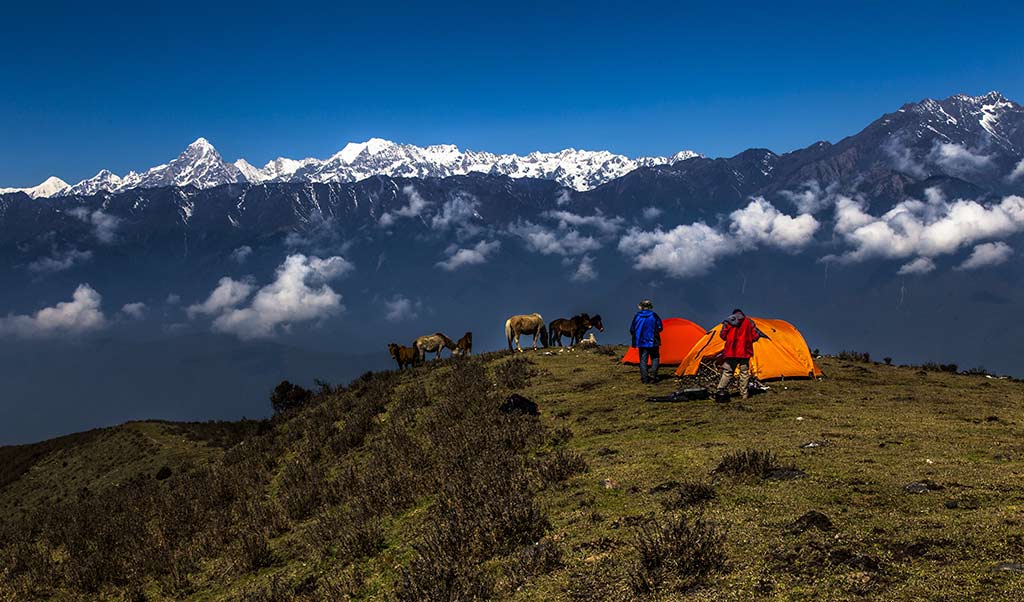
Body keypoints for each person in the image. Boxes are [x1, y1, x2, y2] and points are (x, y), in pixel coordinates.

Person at [715, 308, 761, 401]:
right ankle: (744, 394)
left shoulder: (728, 321)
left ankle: (720, 391)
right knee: (744, 373)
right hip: (745, 351)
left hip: (731, 351)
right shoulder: (749, 322)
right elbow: (755, 336)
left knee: (728, 372)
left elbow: (722, 335)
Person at [630, 299, 663, 384]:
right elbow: (660, 327)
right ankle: (654, 376)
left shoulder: (637, 316)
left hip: (641, 342)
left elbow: (632, 329)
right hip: (653, 341)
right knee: (655, 358)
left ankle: (644, 379)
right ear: (650, 307)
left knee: (643, 360)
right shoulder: (654, 316)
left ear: (641, 307)